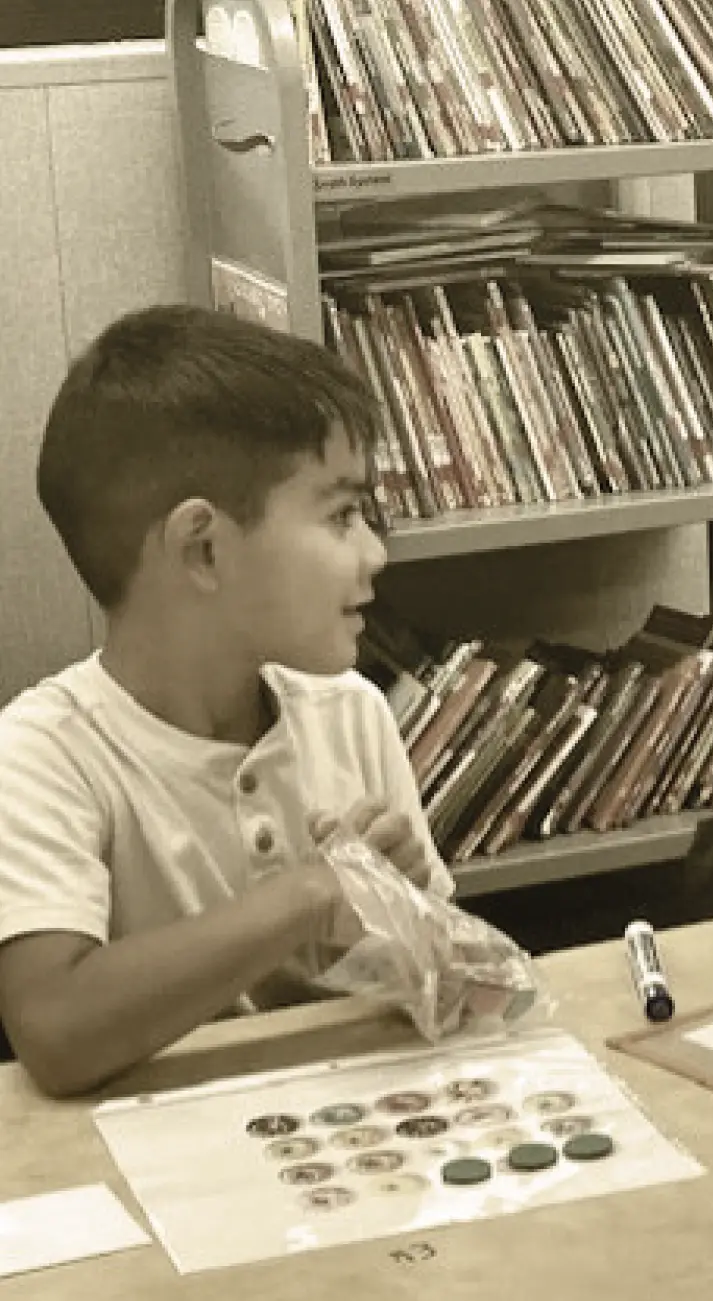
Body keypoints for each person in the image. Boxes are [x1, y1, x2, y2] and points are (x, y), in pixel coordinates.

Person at [0, 306, 451, 1096]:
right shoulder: (42, 755)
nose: (376, 552)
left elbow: (442, 984)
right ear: (203, 548)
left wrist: (400, 910)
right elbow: (56, 1028)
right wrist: (309, 893)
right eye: (342, 514)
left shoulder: (351, 711)